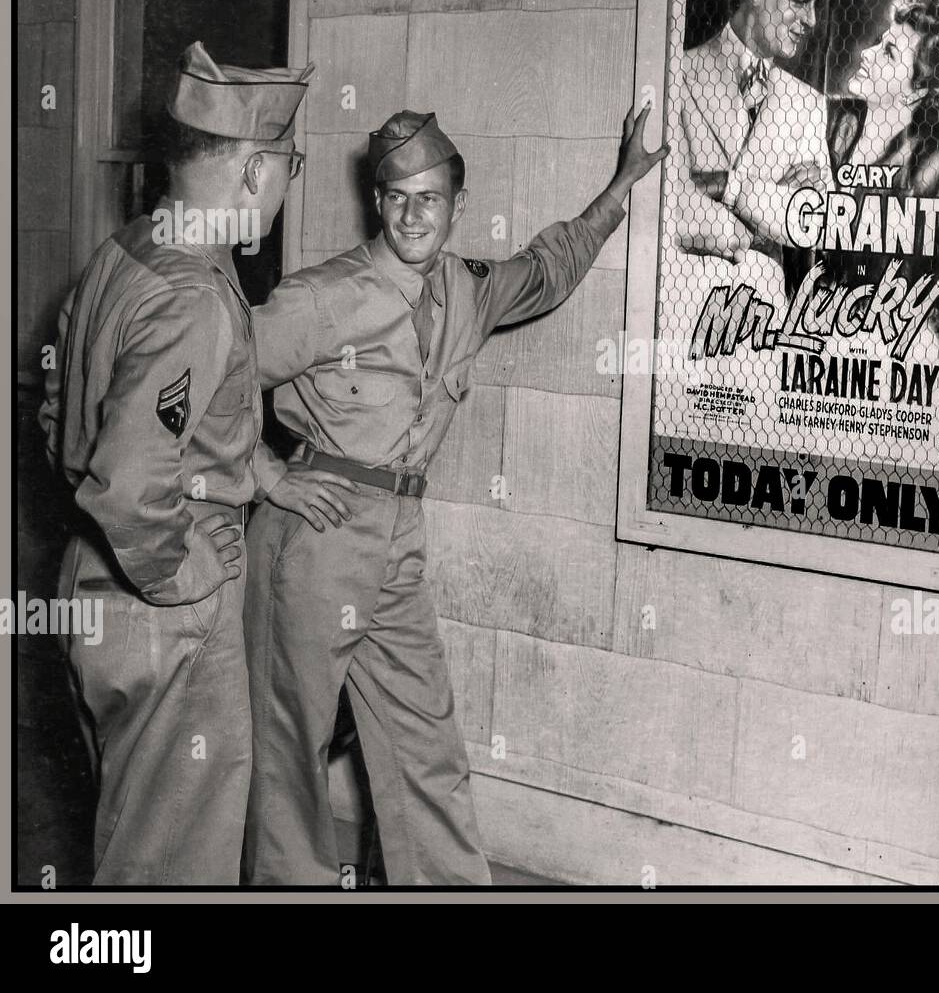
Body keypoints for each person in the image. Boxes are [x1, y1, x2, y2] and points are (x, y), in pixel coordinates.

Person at [242, 104, 668, 885]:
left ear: (456, 206)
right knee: (286, 748)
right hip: (315, 536)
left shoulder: (469, 288)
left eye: (429, 198)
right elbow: (211, 373)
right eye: (397, 196)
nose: (412, 214)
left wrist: (621, 186)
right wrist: (266, 476)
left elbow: (548, 269)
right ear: (376, 200)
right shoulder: (322, 295)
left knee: (423, 743)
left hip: (398, 541)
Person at [38, 43, 357, 884]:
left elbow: (62, 410)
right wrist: (181, 571)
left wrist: (257, 472)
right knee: (175, 864)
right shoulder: (194, 299)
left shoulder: (129, 255)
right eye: (289, 165)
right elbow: (131, 481)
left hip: (91, 592)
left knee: (134, 836)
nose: (289, 184)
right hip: (163, 615)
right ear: (254, 173)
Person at [671, 0, 833, 294]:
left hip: (767, 322)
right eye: (801, 0)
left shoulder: (808, 104)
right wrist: (774, 210)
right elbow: (671, 212)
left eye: (815, 5)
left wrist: (725, 188)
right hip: (687, 308)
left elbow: (817, 226)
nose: (811, 20)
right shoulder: (679, 74)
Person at [826, 0, 939, 351]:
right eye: (881, 40)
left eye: (889, 53)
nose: (867, 53)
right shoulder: (828, 123)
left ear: (917, 91)